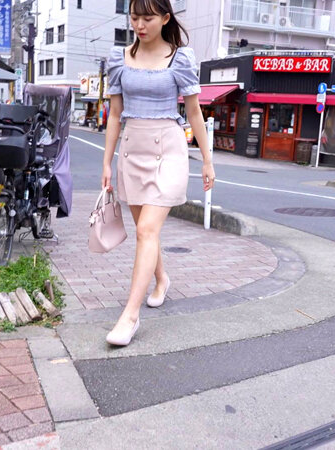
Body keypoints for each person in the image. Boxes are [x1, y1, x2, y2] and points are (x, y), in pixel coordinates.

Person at [101, 0, 215, 346]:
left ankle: (130, 316)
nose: (139, 25)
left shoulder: (180, 58)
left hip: (169, 149)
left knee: (147, 230)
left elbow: (194, 113)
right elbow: (115, 115)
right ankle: (161, 278)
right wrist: (106, 163)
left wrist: (207, 160)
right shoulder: (119, 58)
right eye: (134, 17)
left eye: (147, 18)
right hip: (132, 149)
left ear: (165, 18)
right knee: (145, 231)